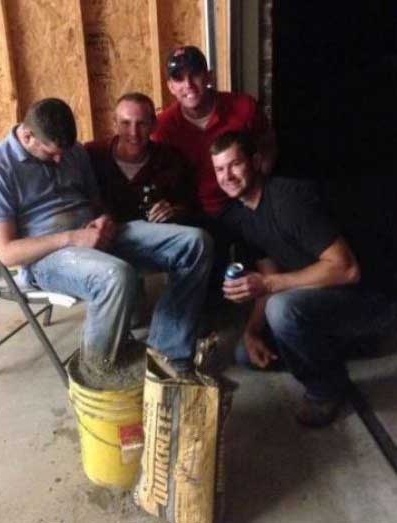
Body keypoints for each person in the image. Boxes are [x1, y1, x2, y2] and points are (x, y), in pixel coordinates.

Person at [0, 98, 214, 378]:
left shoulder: (73, 151)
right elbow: (6, 253)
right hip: (48, 257)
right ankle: (96, 373)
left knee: (195, 243)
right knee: (115, 276)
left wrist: (104, 220)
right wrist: (73, 238)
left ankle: (164, 353)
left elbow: (97, 203)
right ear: (27, 136)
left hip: (92, 235)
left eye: (63, 153)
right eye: (51, 154)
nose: (60, 160)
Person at [210, 131, 390, 427]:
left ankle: (327, 388)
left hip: (369, 299)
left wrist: (269, 285)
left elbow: (347, 269)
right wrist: (252, 331)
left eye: (235, 165)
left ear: (255, 161)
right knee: (245, 353)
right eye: (219, 169)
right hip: (319, 301)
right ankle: (344, 347)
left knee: (281, 309)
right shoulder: (243, 215)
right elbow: (269, 276)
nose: (227, 176)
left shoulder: (288, 199)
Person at [152, 45, 275, 218]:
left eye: (195, 74)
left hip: (246, 204)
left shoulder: (244, 106)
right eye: (179, 78)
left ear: (209, 76)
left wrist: (258, 193)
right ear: (171, 87)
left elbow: (268, 145)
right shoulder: (162, 127)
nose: (188, 84)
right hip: (194, 213)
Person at [85, 92, 196, 224]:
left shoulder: (170, 159)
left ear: (154, 125)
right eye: (125, 123)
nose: (134, 132)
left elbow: (189, 206)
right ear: (115, 124)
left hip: (155, 233)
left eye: (141, 124)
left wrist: (172, 211)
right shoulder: (92, 154)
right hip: (105, 233)